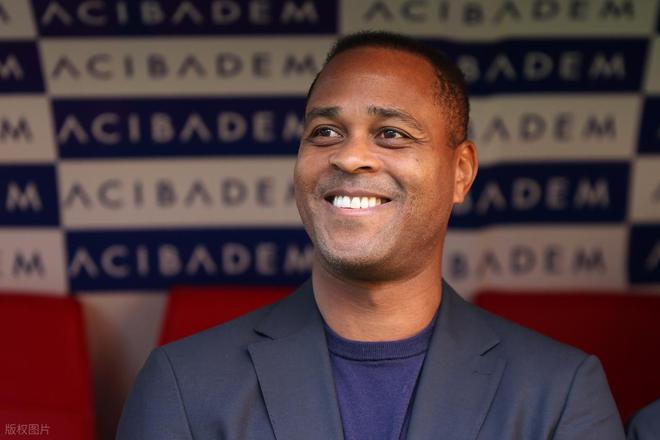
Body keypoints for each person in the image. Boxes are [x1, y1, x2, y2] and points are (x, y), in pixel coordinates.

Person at [116, 31, 625, 439]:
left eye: (391, 134)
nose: (349, 156)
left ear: (461, 172)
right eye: (325, 132)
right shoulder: (183, 384)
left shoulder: (560, 392)